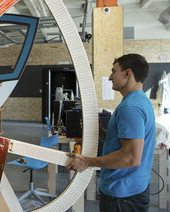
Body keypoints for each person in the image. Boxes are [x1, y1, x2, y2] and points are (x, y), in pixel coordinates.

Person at [66, 53, 155, 212]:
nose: (110, 77)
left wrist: (87, 161)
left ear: (128, 73)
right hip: (131, 189)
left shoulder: (130, 107)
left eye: (114, 71)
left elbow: (130, 158)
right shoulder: (140, 101)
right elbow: (122, 145)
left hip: (122, 195)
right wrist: (100, 131)